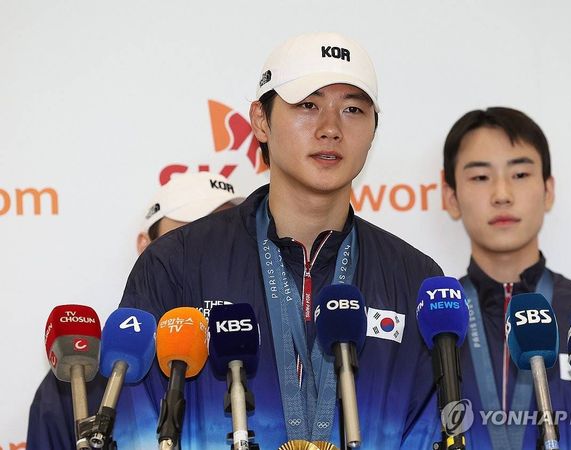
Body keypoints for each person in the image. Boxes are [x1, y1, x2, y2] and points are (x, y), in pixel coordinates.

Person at [111, 32, 443, 449]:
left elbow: (432, 429)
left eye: (353, 109)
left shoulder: (415, 279)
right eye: (308, 105)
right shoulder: (175, 263)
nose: (330, 128)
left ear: (374, 128)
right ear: (261, 120)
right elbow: (137, 431)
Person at [438, 107, 571, 449]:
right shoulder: (433, 322)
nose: (502, 194)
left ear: (548, 190)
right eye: (480, 177)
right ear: (451, 197)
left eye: (520, 174)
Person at [26, 172, 243, 449]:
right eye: (187, 235)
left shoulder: (257, 356)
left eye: (228, 240)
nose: (211, 254)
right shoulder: (82, 369)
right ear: (145, 246)